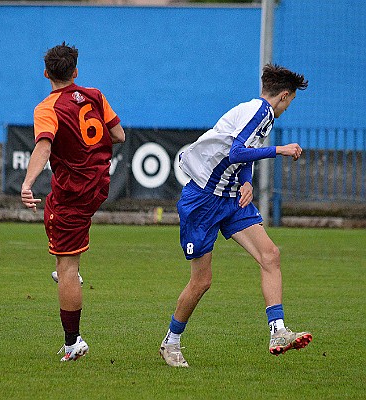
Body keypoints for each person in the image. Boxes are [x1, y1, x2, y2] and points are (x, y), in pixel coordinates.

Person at [159, 64, 312, 367]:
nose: (288, 106)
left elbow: (242, 153)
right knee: (202, 282)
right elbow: (237, 152)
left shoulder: (256, 112)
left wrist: (246, 181)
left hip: (230, 198)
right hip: (202, 200)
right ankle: (171, 341)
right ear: (283, 95)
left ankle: (278, 331)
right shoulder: (261, 113)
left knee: (270, 255)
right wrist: (280, 150)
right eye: (291, 101)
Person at [21, 42, 125, 362]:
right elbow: (118, 134)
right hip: (98, 184)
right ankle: (67, 271)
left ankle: (73, 342)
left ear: (45, 74)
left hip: (75, 190)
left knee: (66, 262)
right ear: (75, 72)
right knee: (52, 213)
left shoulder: (47, 107)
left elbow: (43, 146)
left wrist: (26, 183)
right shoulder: (94, 95)